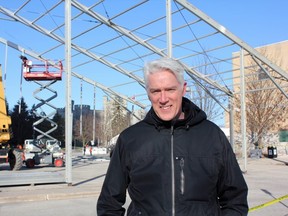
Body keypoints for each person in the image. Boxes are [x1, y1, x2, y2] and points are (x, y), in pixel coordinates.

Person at [97, 58, 248, 215]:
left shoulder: (212, 136)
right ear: (148, 93)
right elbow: (109, 204)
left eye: (170, 89)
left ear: (183, 89)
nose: (163, 99)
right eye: (156, 91)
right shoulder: (130, 139)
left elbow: (235, 199)